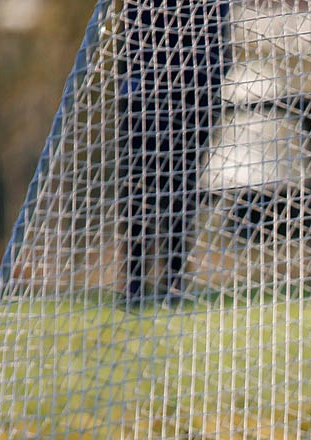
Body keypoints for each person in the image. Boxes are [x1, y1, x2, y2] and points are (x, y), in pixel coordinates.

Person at [119, 0, 230, 303]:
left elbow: (219, 43)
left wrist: (208, 84)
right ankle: (134, 282)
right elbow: (129, 38)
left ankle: (174, 280)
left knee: (181, 190)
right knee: (139, 189)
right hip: (147, 97)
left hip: (194, 97)